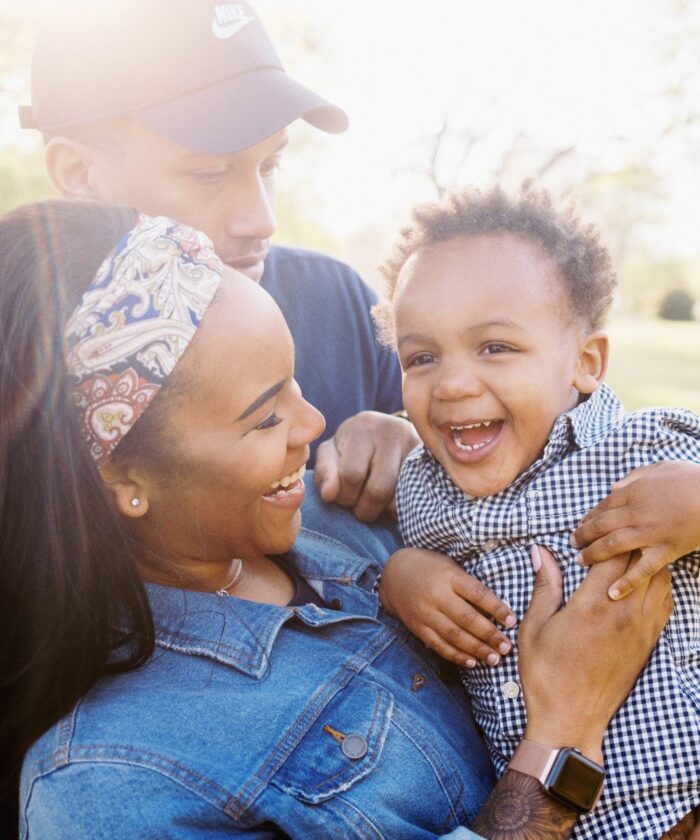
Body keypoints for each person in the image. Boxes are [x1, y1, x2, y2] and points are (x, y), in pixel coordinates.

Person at [1, 200, 672, 839]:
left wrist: (401, 540)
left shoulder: (343, 503)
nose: (316, 423)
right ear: (124, 476)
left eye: (296, 382)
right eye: (265, 416)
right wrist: (563, 735)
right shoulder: (103, 783)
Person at [374, 185, 700, 839]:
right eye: (422, 357)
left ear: (585, 363)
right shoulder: (417, 488)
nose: (454, 383)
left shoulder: (648, 450)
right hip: (550, 817)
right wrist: (400, 575)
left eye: (495, 347)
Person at [20, 0, 418, 524]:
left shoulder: (337, 299)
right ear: (78, 172)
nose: (262, 219)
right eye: (210, 174)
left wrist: (409, 435)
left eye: (270, 164)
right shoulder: (21, 354)